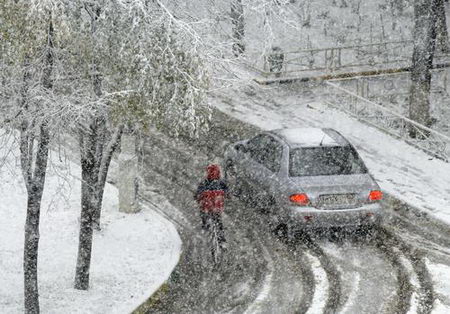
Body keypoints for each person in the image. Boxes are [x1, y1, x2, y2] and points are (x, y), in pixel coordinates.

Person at [194, 164, 228, 245]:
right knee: (219, 222)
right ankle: (222, 240)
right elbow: (227, 191)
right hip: (217, 207)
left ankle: (205, 225)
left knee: (203, 212)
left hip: (207, 206)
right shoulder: (221, 182)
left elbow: (198, 193)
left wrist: (197, 196)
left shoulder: (204, 183)